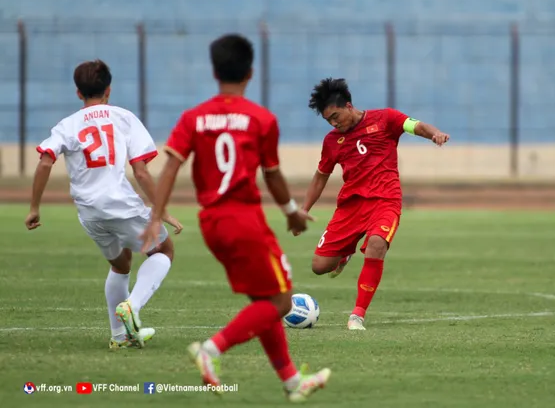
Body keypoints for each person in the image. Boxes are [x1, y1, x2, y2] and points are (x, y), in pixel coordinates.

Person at [139, 34, 331, 402]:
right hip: (244, 220)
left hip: (212, 223)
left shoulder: (192, 118)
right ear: (251, 72)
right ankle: (210, 349)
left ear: (214, 71)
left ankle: (292, 381)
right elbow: (272, 174)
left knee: (266, 299)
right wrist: (292, 212)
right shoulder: (261, 119)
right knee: (281, 303)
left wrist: (155, 216)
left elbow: (170, 168)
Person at [25, 59, 182, 349]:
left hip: (89, 211)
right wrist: (162, 211)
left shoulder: (67, 124)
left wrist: (35, 207)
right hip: (120, 203)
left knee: (121, 265)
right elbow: (141, 171)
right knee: (164, 250)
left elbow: (45, 161)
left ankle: (119, 337)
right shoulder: (122, 117)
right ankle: (132, 307)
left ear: (78, 92)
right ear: (108, 90)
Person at [296, 77, 450, 331]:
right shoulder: (332, 141)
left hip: (385, 200)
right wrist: (303, 211)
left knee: (377, 244)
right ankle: (345, 253)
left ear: (348, 105)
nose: (334, 123)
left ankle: (357, 314)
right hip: (351, 206)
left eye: (336, 116)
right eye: (328, 121)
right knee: (319, 267)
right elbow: (320, 177)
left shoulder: (385, 119)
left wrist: (435, 134)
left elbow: (416, 125)